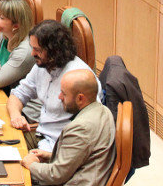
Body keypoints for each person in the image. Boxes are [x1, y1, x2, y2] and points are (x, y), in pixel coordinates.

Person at [21, 69, 115, 186]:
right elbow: (84, 156)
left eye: (63, 94)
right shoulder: (102, 111)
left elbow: (56, 175)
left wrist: (31, 165)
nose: (59, 97)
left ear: (80, 98)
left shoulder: (82, 127)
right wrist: (49, 155)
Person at [8, 20, 98, 152]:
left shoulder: (80, 77)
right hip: (40, 135)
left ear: (54, 51)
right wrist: (16, 115)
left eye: (37, 50)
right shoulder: (42, 65)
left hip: (59, 148)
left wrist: (49, 157)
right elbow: (18, 94)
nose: (32, 54)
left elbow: (90, 129)